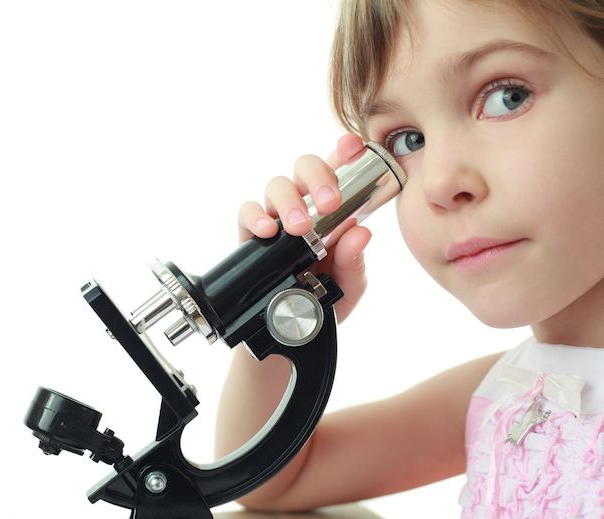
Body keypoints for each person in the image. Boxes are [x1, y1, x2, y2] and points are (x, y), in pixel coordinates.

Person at [215, 0, 604, 516]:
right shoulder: (509, 396)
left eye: (507, 97)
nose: (440, 183)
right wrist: (281, 313)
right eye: (408, 140)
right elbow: (272, 481)